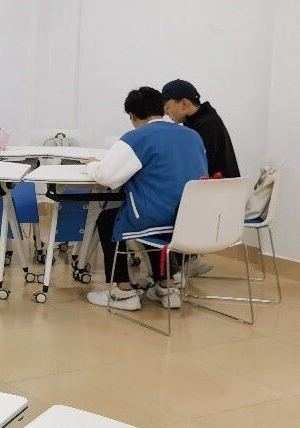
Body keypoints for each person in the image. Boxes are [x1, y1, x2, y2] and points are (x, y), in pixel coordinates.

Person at [85, 87, 207, 311]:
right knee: (158, 217)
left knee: (109, 219)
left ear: (132, 116)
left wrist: (92, 164)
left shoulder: (137, 137)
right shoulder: (193, 136)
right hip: (187, 219)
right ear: (162, 109)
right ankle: (167, 287)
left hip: (154, 219)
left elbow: (107, 177)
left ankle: (123, 292)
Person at [162, 79, 239, 277]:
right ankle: (184, 261)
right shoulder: (203, 121)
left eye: (168, 107)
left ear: (184, 103)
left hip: (217, 197)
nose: (166, 114)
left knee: (161, 204)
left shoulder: (205, 127)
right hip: (217, 192)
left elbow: (196, 168)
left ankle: (173, 270)